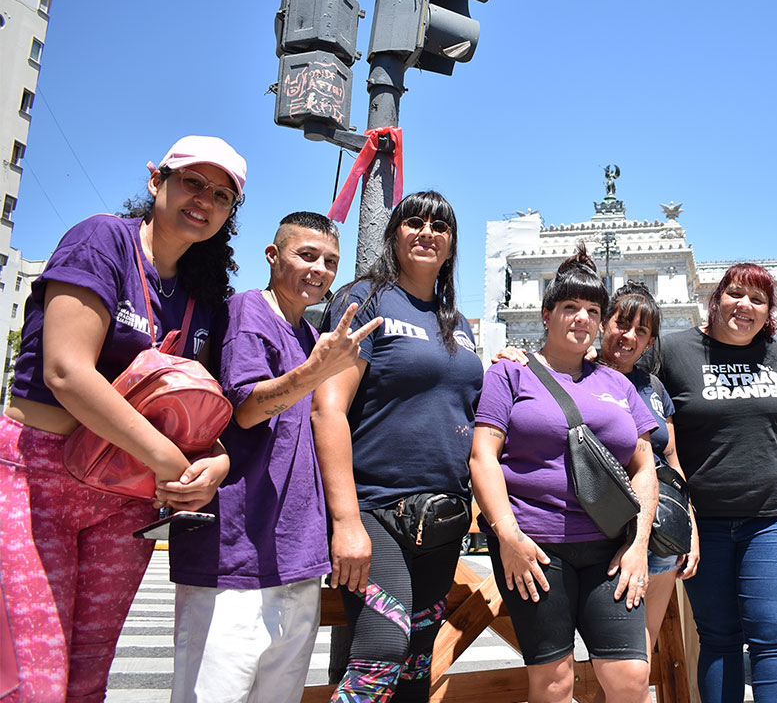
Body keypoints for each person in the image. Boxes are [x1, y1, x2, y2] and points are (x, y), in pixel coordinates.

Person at [0, 135, 243, 701]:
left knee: (89, 677)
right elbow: (66, 370)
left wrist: (218, 462)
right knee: (33, 680)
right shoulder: (102, 239)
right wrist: (168, 459)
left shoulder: (201, 296)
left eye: (222, 195)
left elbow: (195, 414)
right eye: (193, 182)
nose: (204, 199)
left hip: (125, 497)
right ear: (157, 180)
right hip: (35, 476)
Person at [168, 212, 381, 703]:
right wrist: (312, 374)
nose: (320, 270)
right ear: (272, 255)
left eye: (330, 261)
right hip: (235, 555)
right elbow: (245, 409)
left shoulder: (308, 336)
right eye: (306, 255)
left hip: (295, 559)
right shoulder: (247, 311)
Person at [312, 191, 484, 701]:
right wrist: (344, 521)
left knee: (415, 662)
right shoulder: (363, 298)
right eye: (414, 221)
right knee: (382, 650)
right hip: (374, 510)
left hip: (442, 518)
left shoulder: (460, 324)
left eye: (440, 226)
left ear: (452, 246)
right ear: (394, 234)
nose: (427, 232)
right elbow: (327, 409)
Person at [493, 281, 701, 697]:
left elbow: (668, 460)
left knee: (633, 668)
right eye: (622, 324)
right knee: (560, 677)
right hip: (563, 534)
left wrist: (684, 525)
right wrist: (506, 533)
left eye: (642, 332)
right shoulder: (543, 369)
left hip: (641, 531)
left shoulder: (648, 387)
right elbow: (488, 451)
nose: (629, 337)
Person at [470, 247, 659, 703]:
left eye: (593, 311)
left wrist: (638, 548)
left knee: (631, 677)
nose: (582, 319)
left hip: (611, 550)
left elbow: (645, 465)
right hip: (534, 548)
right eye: (570, 307)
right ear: (546, 313)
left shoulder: (617, 383)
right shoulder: (510, 374)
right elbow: (482, 457)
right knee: (553, 683)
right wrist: (509, 538)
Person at [658, 263, 777, 703]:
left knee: (772, 635)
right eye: (736, 294)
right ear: (716, 299)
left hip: (773, 516)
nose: (745, 306)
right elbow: (617, 369)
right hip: (705, 522)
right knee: (718, 636)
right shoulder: (673, 350)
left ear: (768, 313)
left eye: (758, 300)